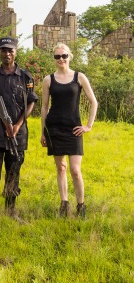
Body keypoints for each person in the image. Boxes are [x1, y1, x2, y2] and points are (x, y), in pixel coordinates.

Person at [0, 37, 38, 222]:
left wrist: (18, 125)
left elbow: (32, 102)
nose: (7, 54)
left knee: (14, 172)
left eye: (10, 50)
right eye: (3, 50)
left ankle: (10, 211)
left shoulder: (25, 77)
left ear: (15, 52)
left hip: (18, 134)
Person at [40, 42, 97, 218]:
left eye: (64, 56)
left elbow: (94, 102)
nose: (61, 59)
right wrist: (43, 132)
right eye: (57, 56)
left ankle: (81, 206)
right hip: (54, 128)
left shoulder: (79, 77)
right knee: (61, 168)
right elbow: (44, 107)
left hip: (74, 129)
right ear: (54, 59)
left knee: (75, 170)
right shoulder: (48, 79)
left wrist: (88, 126)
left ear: (69, 56)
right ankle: (64, 204)